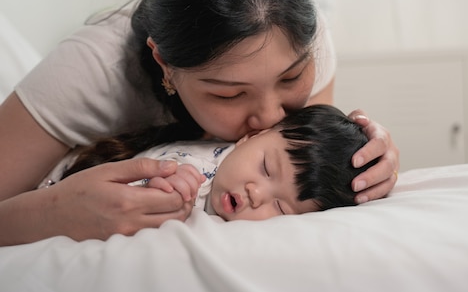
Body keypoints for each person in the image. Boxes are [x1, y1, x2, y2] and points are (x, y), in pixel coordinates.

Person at [0, 0, 399, 246]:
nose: (271, 117)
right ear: (165, 66)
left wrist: (365, 166)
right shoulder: (90, 72)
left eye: (291, 78)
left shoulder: (301, 40)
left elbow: (302, 170)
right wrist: (54, 213)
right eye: (230, 93)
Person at [44, 105, 375, 221]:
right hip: (54, 183)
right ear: (252, 137)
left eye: (281, 207)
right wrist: (157, 191)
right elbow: (113, 202)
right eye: (266, 168)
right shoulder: (191, 170)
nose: (256, 193)